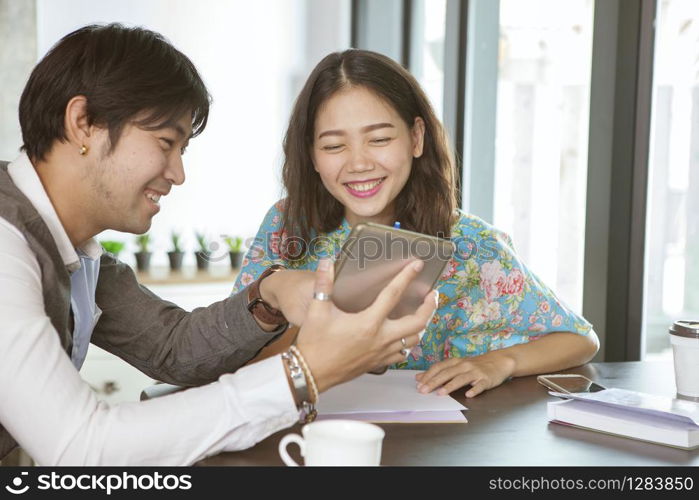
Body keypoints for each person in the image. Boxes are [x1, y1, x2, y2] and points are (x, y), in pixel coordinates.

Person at [0, 25, 436, 466]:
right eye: (166, 143)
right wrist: (306, 372)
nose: (177, 173)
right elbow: (81, 446)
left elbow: (173, 349)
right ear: (84, 124)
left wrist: (272, 293)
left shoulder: (77, 253)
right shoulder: (6, 244)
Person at [234, 49, 600, 399]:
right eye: (333, 146)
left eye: (379, 139)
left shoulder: (470, 242)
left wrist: (498, 362)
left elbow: (579, 339)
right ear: (311, 154)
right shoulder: (287, 224)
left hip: (421, 436)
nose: (359, 163)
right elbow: (232, 353)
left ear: (416, 137)